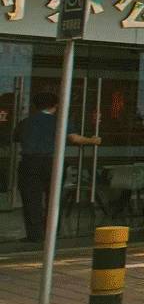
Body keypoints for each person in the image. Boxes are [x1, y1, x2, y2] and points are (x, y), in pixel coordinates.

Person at [15, 90, 101, 244]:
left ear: (35, 106)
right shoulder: (61, 121)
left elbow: (16, 138)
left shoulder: (25, 122)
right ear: (55, 106)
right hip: (52, 162)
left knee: (31, 200)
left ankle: (35, 236)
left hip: (29, 163)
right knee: (53, 199)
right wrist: (92, 141)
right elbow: (74, 138)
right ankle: (52, 233)